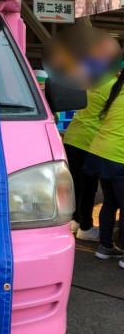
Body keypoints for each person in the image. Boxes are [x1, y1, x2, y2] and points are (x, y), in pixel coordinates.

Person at [63, 77, 115, 240]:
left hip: (72, 136)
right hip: (88, 140)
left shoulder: (90, 82)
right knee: (88, 187)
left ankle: (76, 221)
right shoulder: (112, 86)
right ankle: (85, 227)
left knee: (76, 185)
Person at [84, 67, 124, 265]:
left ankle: (106, 246)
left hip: (101, 152)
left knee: (111, 202)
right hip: (118, 155)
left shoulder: (118, 89)